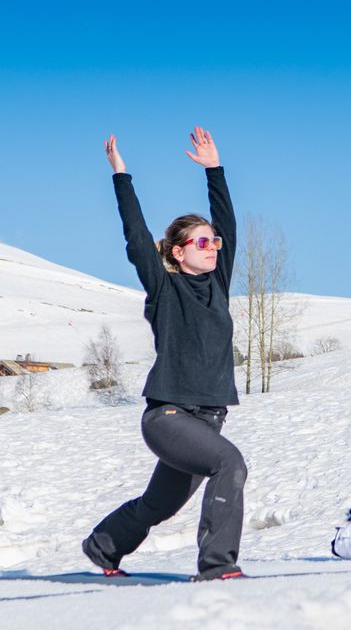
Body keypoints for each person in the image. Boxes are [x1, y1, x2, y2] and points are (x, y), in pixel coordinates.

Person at [81, 128, 248, 581]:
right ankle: (218, 566)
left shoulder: (217, 286)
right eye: (201, 242)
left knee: (160, 505)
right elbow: (137, 236)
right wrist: (121, 175)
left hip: (208, 417)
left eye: (213, 242)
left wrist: (215, 170)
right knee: (229, 464)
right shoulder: (164, 288)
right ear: (178, 251)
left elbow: (228, 226)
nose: (212, 247)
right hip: (170, 415)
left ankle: (103, 546)